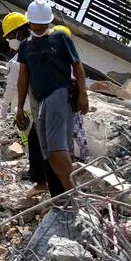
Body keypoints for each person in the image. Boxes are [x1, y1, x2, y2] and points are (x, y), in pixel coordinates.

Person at [15, 0, 89, 197]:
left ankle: (74, 194)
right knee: (48, 152)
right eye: (35, 24)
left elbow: (78, 66)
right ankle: (62, 195)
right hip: (41, 102)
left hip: (59, 94)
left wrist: (83, 94)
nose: (38, 27)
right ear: (29, 23)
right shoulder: (25, 46)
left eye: (42, 24)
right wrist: (20, 107)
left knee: (57, 149)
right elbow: (23, 78)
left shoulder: (60, 38)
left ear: (48, 23)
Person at [0, 12, 51, 191]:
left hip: (27, 109)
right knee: (36, 140)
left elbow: (11, 86)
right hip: (39, 106)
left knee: (30, 141)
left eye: (10, 37)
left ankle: (38, 173)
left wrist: (5, 106)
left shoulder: (16, 62)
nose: (8, 41)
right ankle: (40, 172)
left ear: (20, 33)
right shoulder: (40, 49)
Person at [52, 25, 90, 160]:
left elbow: (77, 77)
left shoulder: (68, 59)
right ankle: (74, 155)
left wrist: (82, 95)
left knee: (76, 128)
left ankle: (83, 156)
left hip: (71, 96)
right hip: (65, 96)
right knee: (72, 128)